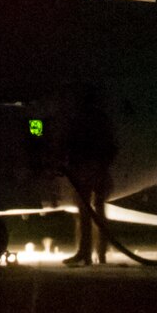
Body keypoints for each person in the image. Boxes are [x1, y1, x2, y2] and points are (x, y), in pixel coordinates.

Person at [59, 85, 119, 266]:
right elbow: (112, 145)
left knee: (85, 212)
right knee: (98, 210)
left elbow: (71, 142)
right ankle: (100, 254)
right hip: (99, 167)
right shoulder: (102, 119)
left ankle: (85, 253)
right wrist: (103, 166)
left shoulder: (80, 119)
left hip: (85, 167)